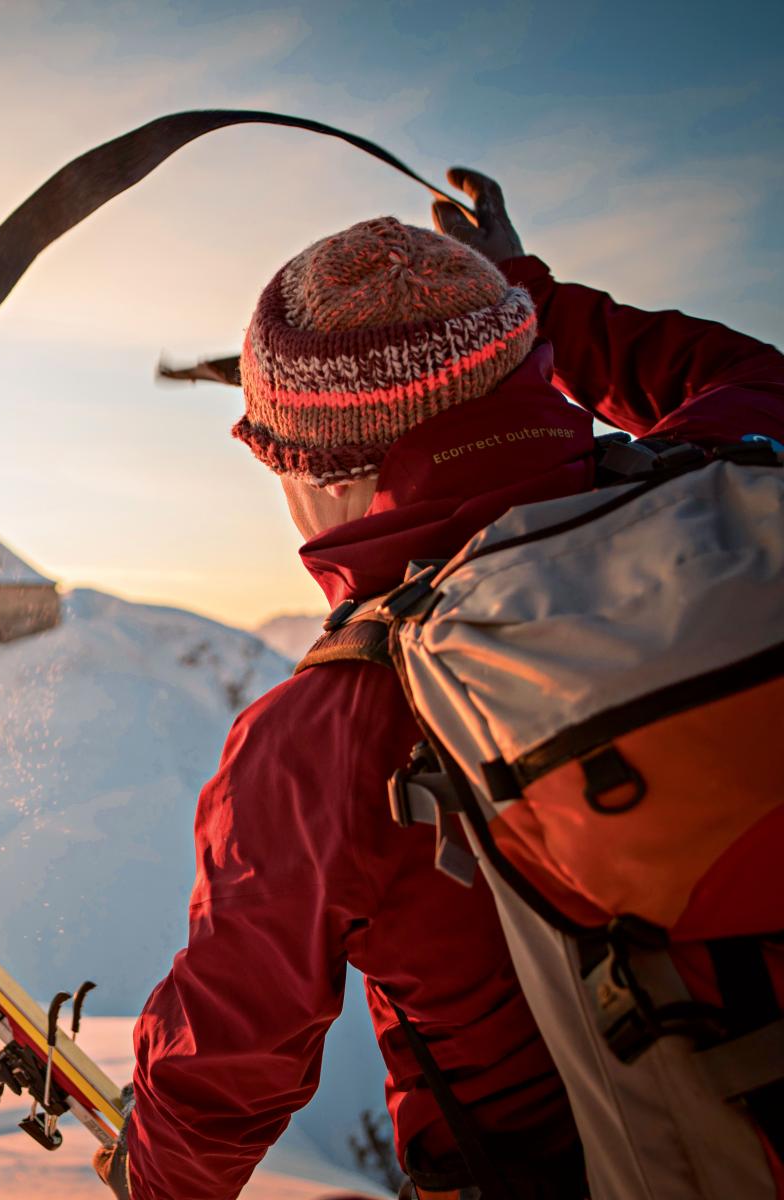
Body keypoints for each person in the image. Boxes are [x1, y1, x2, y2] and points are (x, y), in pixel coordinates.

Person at [94, 170, 784, 1200]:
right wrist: (524, 291)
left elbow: (227, 1053)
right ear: (527, 372)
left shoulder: (324, 734)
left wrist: (147, 1181)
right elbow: (725, 368)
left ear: (325, 470)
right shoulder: (744, 475)